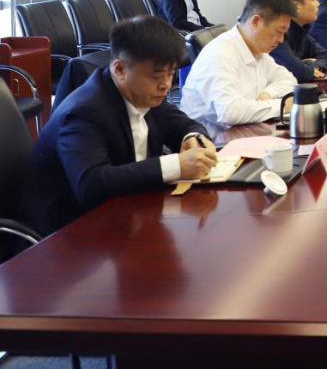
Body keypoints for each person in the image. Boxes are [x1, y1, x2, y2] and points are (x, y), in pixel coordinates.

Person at [21, 16, 216, 236]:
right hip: (67, 232)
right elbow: (91, 185)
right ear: (120, 69)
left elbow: (183, 124)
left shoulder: (145, 93)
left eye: (170, 74)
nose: (166, 85)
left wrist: (193, 137)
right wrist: (176, 165)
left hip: (127, 213)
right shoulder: (83, 113)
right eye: (157, 76)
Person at [181, 0, 298, 127]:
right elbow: (229, 112)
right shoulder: (219, 54)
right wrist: (282, 105)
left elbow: (289, 80)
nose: (281, 39)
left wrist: (267, 94)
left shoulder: (258, 51)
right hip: (212, 137)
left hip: (243, 131)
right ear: (255, 22)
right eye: (279, 31)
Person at [271, 0, 327, 83]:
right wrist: (307, 65)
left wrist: (312, 65)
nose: (318, 4)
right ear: (296, 6)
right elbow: (299, 72)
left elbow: (326, 55)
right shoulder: (278, 34)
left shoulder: (301, 29)